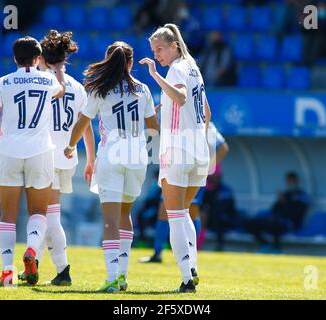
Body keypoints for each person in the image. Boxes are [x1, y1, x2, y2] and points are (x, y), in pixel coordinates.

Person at [65, 41, 159, 293]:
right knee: (125, 215)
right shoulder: (143, 89)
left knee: (109, 220)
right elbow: (154, 129)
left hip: (111, 156)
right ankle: (123, 276)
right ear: (130, 63)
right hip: (137, 157)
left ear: (108, 61)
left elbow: (82, 123)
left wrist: (70, 146)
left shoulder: (99, 89)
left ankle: (112, 276)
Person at [0, 36, 66, 285]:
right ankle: (32, 250)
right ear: (38, 59)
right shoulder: (47, 80)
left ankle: (7, 271)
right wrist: (55, 72)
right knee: (38, 212)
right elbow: (61, 91)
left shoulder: (3, 82)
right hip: (40, 151)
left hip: (10, 152)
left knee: (7, 216)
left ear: (14, 58)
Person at [16, 30, 94, 287]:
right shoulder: (77, 87)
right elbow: (86, 125)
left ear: (43, 58)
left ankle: (61, 269)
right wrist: (91, 158)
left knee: (46, 216)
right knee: (51, 213)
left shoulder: (39, 82)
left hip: (44, 153)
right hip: (68, 157)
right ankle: (37, 264)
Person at [140, 23, 211, 293]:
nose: (156, 54)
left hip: (178, 149)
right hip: (200, 150)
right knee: (183, 214)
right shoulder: (194, 68)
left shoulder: (175, 69)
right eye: (153, 50)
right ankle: (192, 267)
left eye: (160, 49)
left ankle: (186, 277)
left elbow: (180, 97)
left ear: (174, 46)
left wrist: (155, 75)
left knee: (174, 214)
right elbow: (206, 113)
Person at [140, 122, 229, 262]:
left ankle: (191, 254)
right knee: (164, 211)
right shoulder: (174, 116)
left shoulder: (202, 122)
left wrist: (206, 168)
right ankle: (158, 253)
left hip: (192, 173)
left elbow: (223, 147)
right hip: (175, 172)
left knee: (191, 212)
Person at [244, 171, 309, 253]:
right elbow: (273, 210)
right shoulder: (285, 194)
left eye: (292, 181)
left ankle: (276, 248)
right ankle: (265, 244)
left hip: (291, 223)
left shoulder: (302, 195)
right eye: (288, 181)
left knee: (276, 223)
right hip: (276, 219)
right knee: (250, 223)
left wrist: (285, 202)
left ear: (297, 181)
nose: (290, 183)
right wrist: (279, 201)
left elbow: (297, 213)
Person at [201, 164, 240, 252]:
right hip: (209, 219)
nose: (216, 177)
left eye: (218, 175)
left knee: (219, 217)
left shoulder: (225, 190)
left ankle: (219, 246)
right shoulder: (205, 190)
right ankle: (198, 244)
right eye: (215, 175)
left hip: (225, 219)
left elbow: (231, 209)